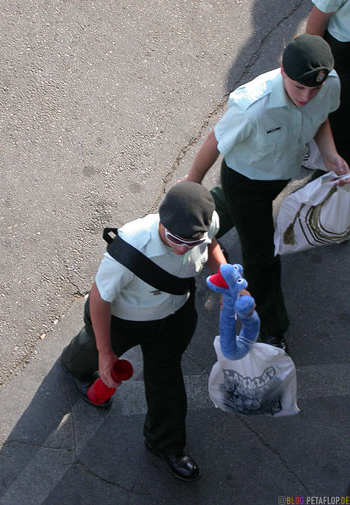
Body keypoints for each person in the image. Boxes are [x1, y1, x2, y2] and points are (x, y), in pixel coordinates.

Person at [181, 34, 350, 353]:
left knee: (222, 212)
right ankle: (272, 328)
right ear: (283, 72)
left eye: (314, 89)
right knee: (262, 256)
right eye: (299, 87)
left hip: (279, 175)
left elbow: (321, 117)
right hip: (245, 182)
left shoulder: (328, 85)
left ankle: (185, 229)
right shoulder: (253, 104)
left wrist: (329, 154)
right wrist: (192, 179)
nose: (306, 96)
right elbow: (215, 141)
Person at [61, 182, 228, 483]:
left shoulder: (207, 223)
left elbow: (212, 243)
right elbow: (100, 297)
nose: (181, 248)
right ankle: (76, 364)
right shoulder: (131, 247)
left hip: (174, 316)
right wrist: (104, 352)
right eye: (174, 239)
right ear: (161, 221)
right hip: (123, 319)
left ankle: (166, 444)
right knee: (95, 353)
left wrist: (226, 276)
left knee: (166, 377)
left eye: (190, 242)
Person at [306, 0, 350, 166]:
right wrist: (310, 61)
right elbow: (318, 16)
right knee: (330, 103)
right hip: (340, 49)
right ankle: (314, 151)